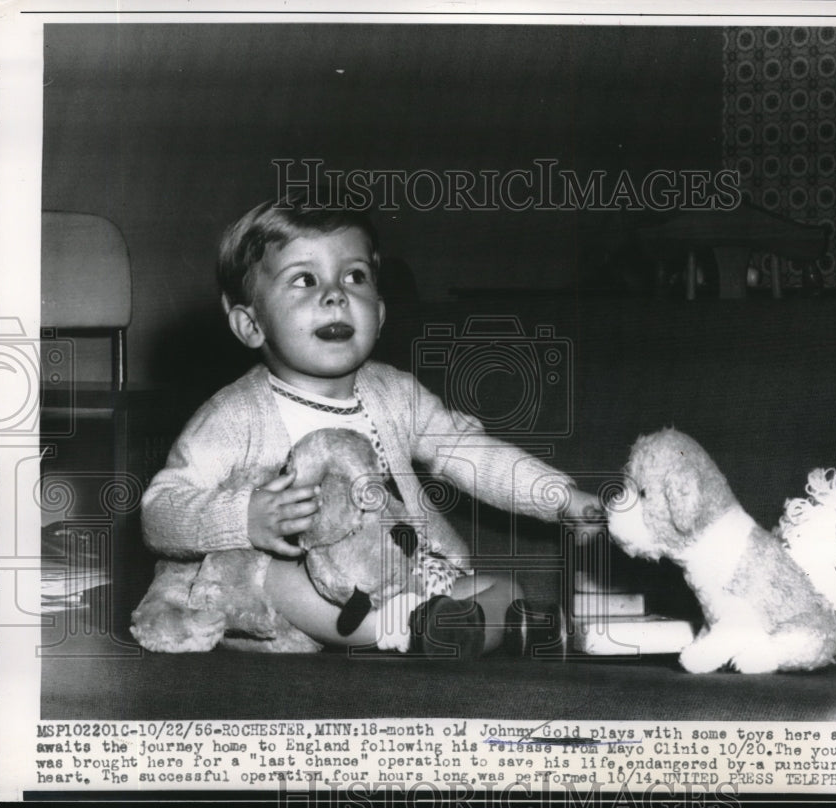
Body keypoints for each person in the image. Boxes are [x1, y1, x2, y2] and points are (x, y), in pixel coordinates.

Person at [140, 194, 601, 658]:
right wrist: (244, 519)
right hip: (303, 593)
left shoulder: (395, 394)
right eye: (304, 279)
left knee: (506, 587)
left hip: (407, 572)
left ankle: (454, 627)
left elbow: (470, 454)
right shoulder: (233, 417)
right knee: (272, 574)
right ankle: (399, 633)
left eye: (354, 276)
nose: (336, 294)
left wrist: (559, 498)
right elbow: (159, 511)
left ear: (379, 314)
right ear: (250, 324)